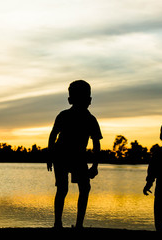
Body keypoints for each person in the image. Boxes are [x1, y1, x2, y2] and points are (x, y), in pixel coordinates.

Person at [47, 80, 103, 229]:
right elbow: (53, 136)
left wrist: (95, 165)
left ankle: (75, 224)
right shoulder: (67, 116)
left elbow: (96, 144)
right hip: (63, 156)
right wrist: (50, 156)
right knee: (66, 189)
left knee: (80, 188)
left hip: (74, 157)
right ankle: (62, 223)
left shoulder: (89, 119)